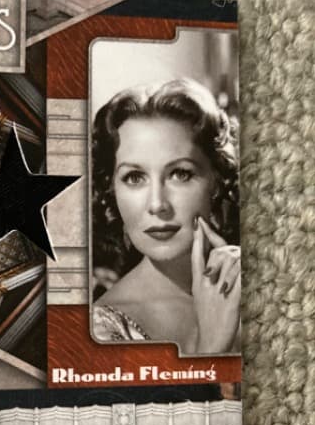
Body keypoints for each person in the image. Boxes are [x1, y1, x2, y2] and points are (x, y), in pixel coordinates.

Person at [91, 78, 240, 355]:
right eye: (134, 177)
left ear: (216, 181)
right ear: (111, 189)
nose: (157, 204)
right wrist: (213, 348)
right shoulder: (100, 331)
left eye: (180, 174)